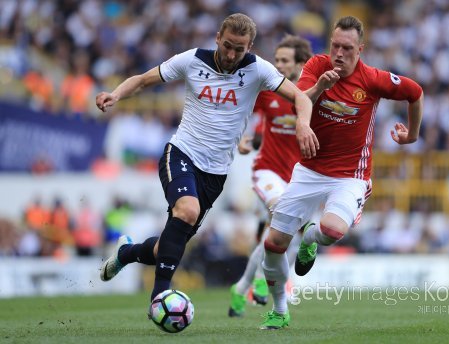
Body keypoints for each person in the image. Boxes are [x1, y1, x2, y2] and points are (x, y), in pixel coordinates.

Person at [95, 13, 318, 312]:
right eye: (227, 45)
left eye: (239, 49)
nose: (230, 54)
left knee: (167, 247)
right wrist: (116, 94)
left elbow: (301, 98)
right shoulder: (192, 60)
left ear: (249, 46)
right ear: (217, 37)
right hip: (182, 152)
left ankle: (127, 253)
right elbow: (143, 80)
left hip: (215, 172)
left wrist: (303, 124)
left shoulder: (258, 69)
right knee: (187, 210)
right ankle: (159, 298)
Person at [260, 16, 424, 330]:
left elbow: (415, 92)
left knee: (332, 232)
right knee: (273, 245)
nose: (338, 53)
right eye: (335, 45)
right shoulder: (316, 67)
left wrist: (412, 135)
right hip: (309, 171)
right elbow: (299, 101)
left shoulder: (374, 79)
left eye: (347, 48)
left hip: (351, 176)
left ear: (360, 50)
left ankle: (309, 236)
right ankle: (280, 309)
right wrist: (319, 89)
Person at [228, 35, 314, 317]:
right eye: (276, 60)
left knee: (282, 236)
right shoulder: (268, 90)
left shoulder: (312, 96)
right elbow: (250, 117)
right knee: (281, 218)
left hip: (300, 178)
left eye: (284, 61)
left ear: (301, 64)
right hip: (268, 171)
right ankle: (263, 282)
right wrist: (245, 139)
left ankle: (242, 287)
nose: (277, 65)